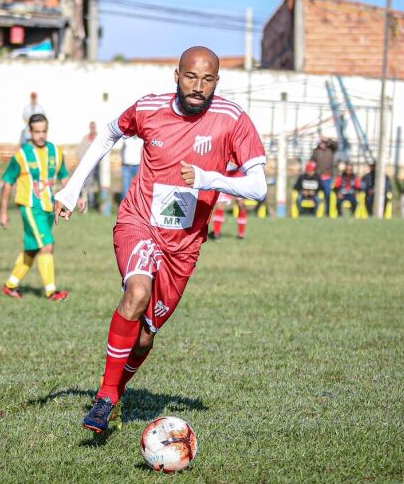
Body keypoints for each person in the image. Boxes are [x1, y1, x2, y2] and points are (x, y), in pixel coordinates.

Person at [54, 46, 267, 433]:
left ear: (217, 82)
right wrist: (72, 188)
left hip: (184, 245)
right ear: (176, 75)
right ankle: (104, 398)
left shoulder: (232, 119)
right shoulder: (150, 108)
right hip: (139, 222)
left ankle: (115, 395)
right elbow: (108, 134)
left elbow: (259, 186)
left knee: (145, 339)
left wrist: (208, 179)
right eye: (191, 76)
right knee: (136, 293)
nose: (198, 86)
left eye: (208, 79)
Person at [0, 113, 75, 301]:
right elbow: (8, 182)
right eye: (37, 131)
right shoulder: (22, 155)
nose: (41, 135)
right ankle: (51, 292)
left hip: (49, 208)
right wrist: (3, 212)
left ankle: (10, 286)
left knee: (34, 248)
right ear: (30, 132)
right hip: (30, 207)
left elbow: (64, 177)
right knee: (47, 246)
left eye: (44, 131)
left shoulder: (56, 153)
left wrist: (75, 197)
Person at [209, 164, 248, 240]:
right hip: (225, 176)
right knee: (220, 205)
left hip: (239, 177)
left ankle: (241, 234)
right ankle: (216, 233)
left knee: (241, 205)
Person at [311, 138, 338, 216]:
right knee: (315, 194)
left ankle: (328, 211)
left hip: (328, 177)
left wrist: (327, 139)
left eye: (323, 143)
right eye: (321, 143)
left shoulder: (331, 150)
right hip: (318, 177)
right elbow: (312, 161)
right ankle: (315, 211)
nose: (322, 145)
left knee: (328, 194)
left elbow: (336, 145)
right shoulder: (316, 151)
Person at [77, 121, 100, 211]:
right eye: (91, 127)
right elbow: (79, 150)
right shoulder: (85, 138)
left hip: (98, 165)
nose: (92, 129)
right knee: (88, 184)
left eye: (94, 127)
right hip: (88, 165)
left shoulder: (99, 137)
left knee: (98, 185)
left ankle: (95, 202)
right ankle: (90, 203)